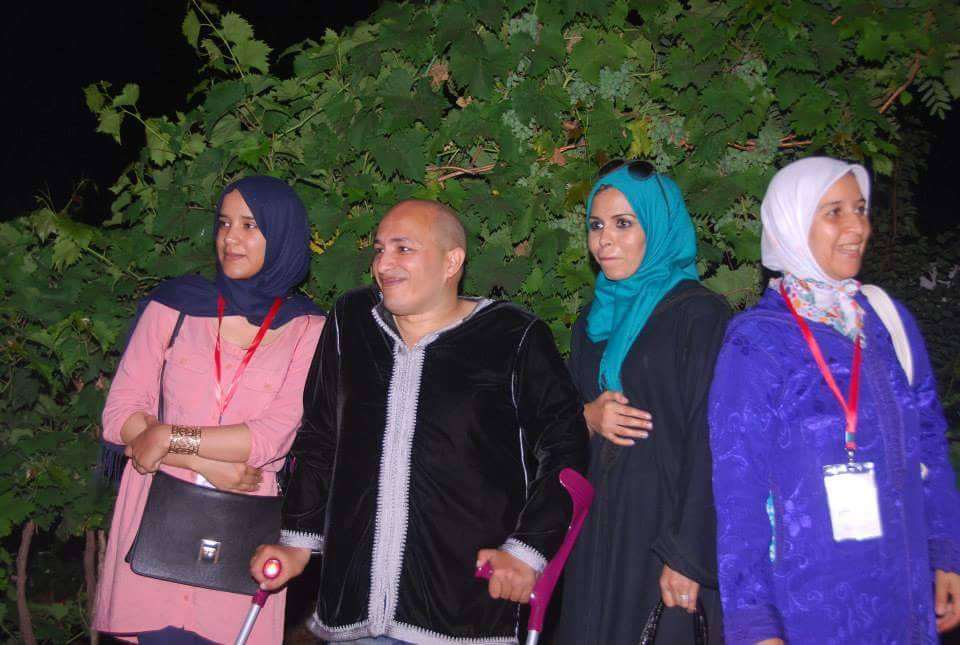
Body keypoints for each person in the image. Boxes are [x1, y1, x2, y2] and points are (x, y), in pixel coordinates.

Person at [250, 199, 589, 644]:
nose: (383, 264)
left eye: (403, 249)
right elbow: (320, 437)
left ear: (452, 262)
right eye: (379, 249)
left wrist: (528, 551)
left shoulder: (512, 336)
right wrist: (296, 540)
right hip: (354, 608)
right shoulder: (353, 322)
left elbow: (566, 446)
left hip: (463, 612)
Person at [709, 157, 960, 643]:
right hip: (809, 604)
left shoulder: (886, 322)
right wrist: (754, 622)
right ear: (791, 223)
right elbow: (739, 491)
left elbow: (929, 441)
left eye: (860, 209)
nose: (857, 227)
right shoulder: (757, 343)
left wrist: (946, 548)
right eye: (834, 212)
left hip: (903, 592)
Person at [94, 176, 325, 644]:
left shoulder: (310, 329)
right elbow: (120, 414)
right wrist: (200, 460)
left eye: (250, 225)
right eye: (224, 223)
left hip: (242, 535)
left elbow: (271, 436)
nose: (230, 238)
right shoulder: (175, 307)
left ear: (282, 234)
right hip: (155, 524)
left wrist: (165, 437)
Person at [556, 161, 730, 644]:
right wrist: (587, 416)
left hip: (664, 529)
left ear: (657, 227)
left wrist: (687, 555)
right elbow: (556, 419)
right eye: (596, 225)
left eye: (623, 224)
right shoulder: (593, 321)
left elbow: (712, 437)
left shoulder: (699, 314)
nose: (604, 240)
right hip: (598, 526)